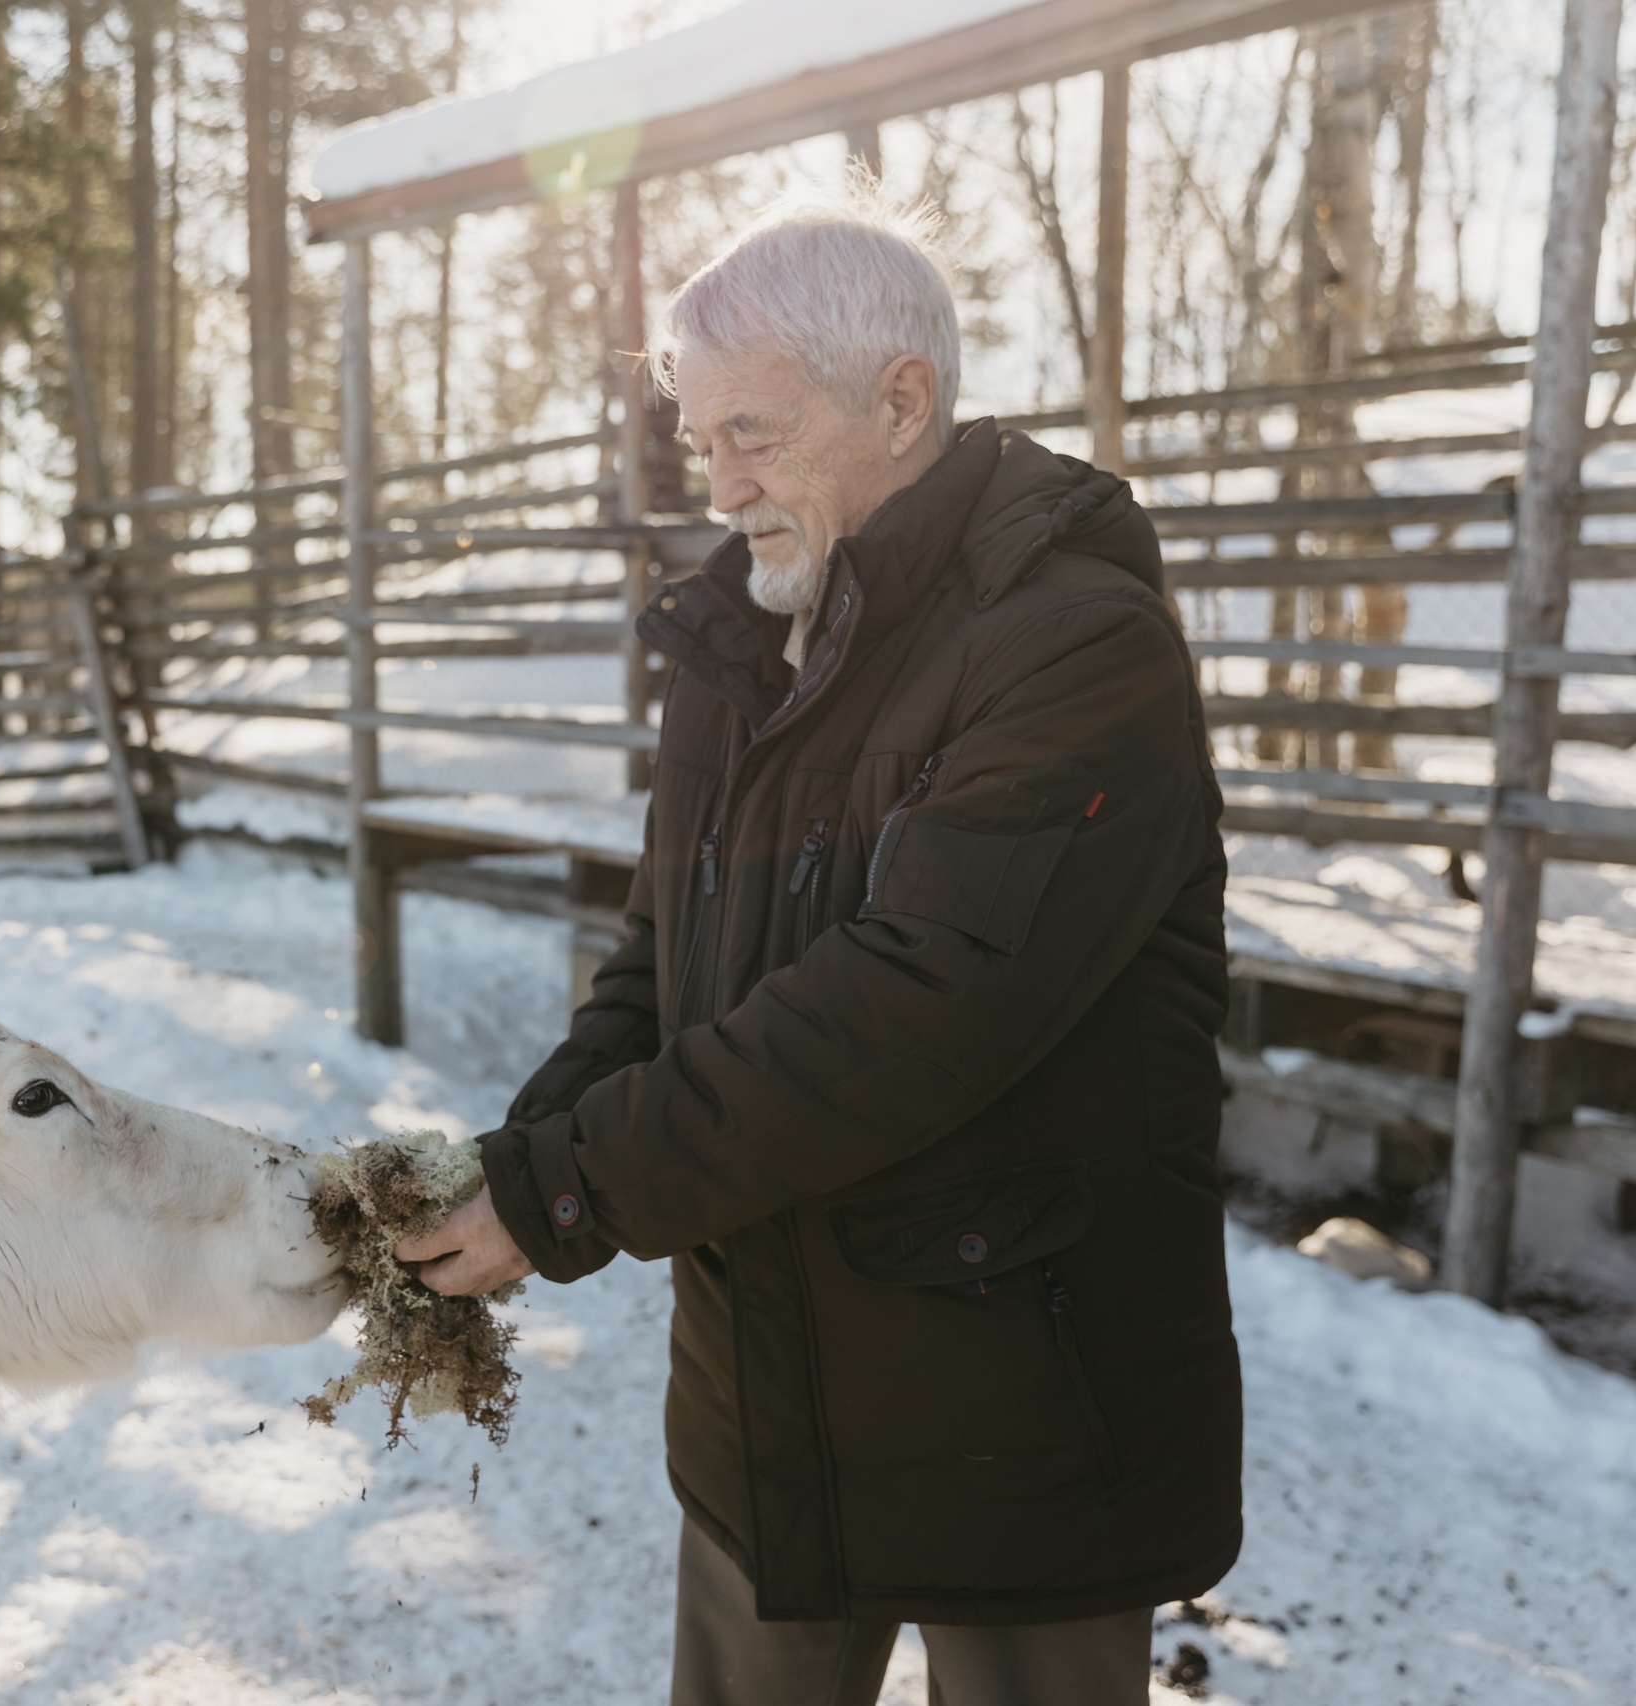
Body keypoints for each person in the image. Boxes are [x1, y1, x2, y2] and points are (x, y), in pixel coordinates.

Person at [395, 184, 1242, 1706]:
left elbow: (910, 1011)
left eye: (752, 435)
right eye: (697, 438)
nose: (715, 485)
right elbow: (660, 972)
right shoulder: (736, 648)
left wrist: (567, 1189)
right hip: (762, 1418)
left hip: (1025, 1427)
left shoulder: (1079, 646)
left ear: (902, 400)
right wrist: (509, 1164)